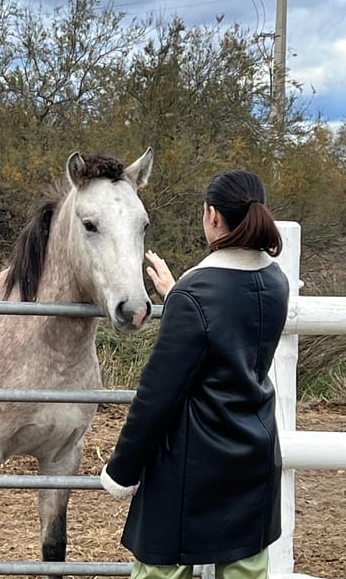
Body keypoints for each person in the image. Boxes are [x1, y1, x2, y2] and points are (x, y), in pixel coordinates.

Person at [100, 169, 290, 579]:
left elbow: (156, 397)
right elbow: (229, 328)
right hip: (252, 454)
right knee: (246, 569)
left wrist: (121, 470)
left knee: (160, 571)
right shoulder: (276, 281)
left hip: (188, 463)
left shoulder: (197, 295)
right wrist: (179, 294)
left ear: (212, 215)